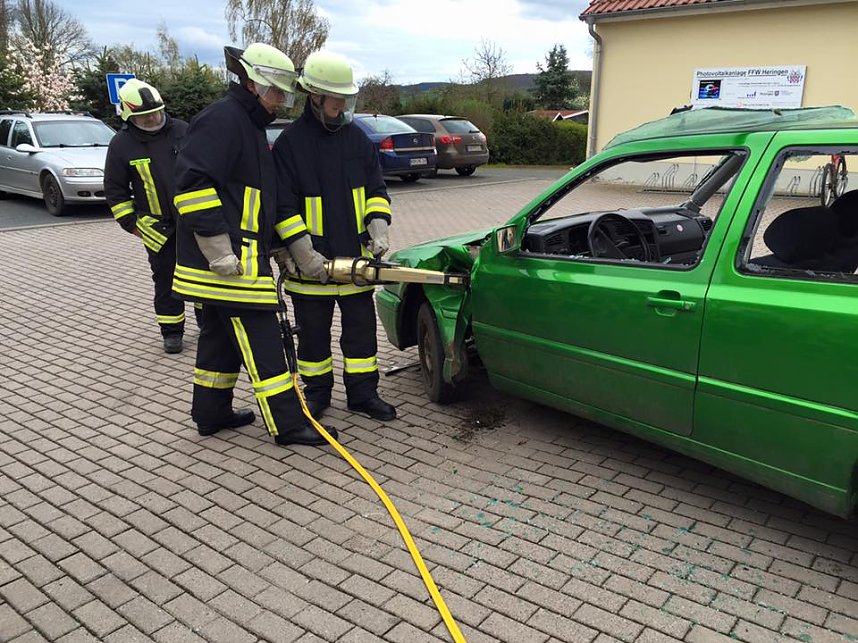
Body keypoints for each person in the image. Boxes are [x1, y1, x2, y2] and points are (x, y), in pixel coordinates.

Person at [171, 42, 336, 446]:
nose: (282, 102)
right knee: (264, 340)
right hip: (228, 265)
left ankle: (210, 414)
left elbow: (264, 201)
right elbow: (192, 187)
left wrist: (286, 249)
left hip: (237, 261)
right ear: (254, 85)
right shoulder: (223, 121)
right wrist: (217, 250)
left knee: (218, 337)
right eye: (278, 92)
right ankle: (289, 423)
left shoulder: (248, 126)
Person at [272, 50, 396, 422]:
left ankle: (363, 394)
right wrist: (302, 253)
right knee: (313, 338)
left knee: (361, 337)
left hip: (356, 263)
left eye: (346, 98)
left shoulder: (357, 139)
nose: (342, 105)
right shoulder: (290, 144)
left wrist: (378, 227)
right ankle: (317, 394)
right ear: (315, 96)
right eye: (336, 98)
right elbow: (283, 207)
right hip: (312, 266)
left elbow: (376, 189)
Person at [104, 78, 199, 354]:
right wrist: (132, 224)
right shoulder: (121, 144)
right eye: (144, 117)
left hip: (194, 221)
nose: (153, 119)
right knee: (166, 281)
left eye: (156, 113)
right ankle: (172, 332)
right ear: (128, 116)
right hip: (157, 228)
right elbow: (115, 190)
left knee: (203, 276)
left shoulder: (182, 130)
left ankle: (208, 324)